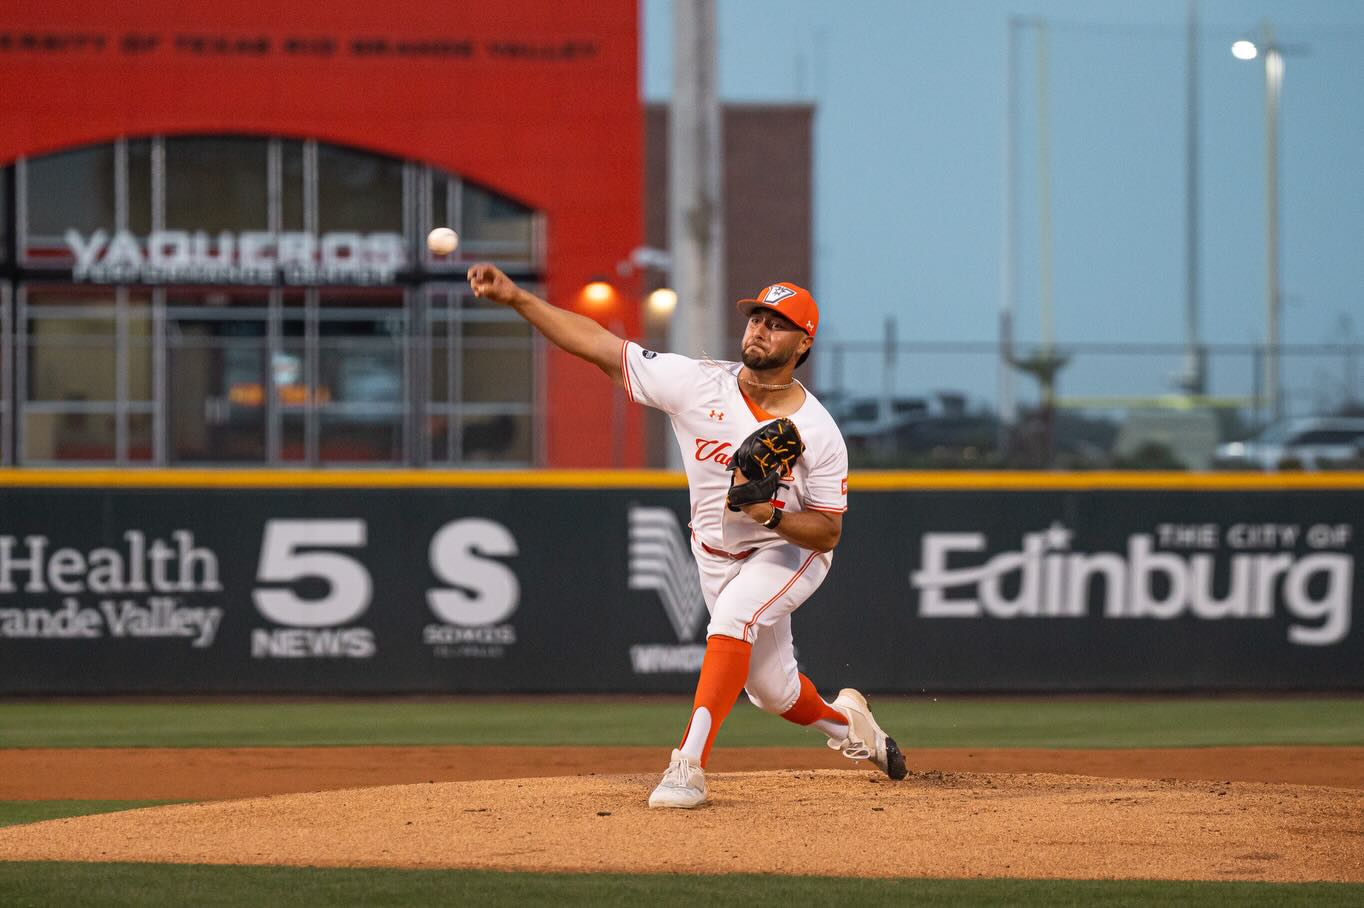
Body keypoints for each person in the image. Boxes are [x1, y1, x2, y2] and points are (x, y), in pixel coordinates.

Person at [467, 264, 907, 809]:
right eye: (756, 317)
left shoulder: (819, 431)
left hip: (787, 551)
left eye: (777, 323)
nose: (759, 329)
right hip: (714, 554)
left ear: (804, 342)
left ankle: (688, 765)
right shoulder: (699, 384)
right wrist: (516, 298)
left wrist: (768, 516)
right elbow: (600, 346)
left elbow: (828, 531)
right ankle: (851, 728)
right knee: (771, 691)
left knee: (732, 619)